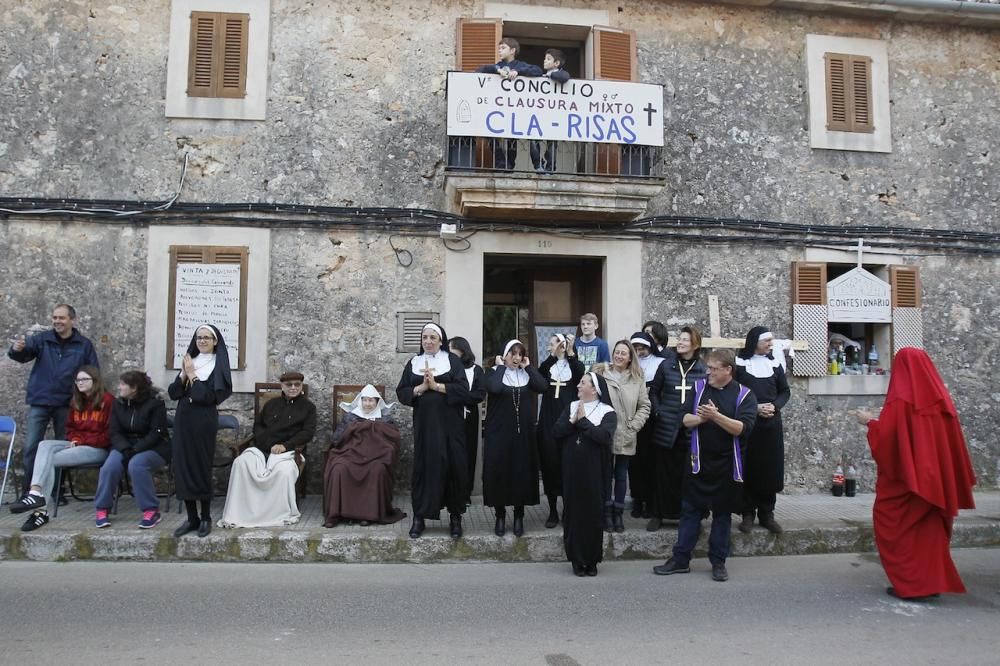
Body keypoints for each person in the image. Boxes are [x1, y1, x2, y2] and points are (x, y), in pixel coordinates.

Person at [854, 348, 977, 601]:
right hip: (936, 482)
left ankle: (910, 585)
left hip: (909, 482)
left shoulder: (901, 400)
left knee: (893, 525)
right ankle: (930, 582)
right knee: (930, 533)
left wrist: (869, 422)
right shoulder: (942, 400)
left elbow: (889, 440)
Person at [654, 349, 757, 582]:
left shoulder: (744, 395)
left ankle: (718, 562)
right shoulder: (699, 388)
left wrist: (716, 416)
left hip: (727, 466)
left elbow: (743, 428)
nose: (707, 372)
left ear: (728, 370)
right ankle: (680, 559)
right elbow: (683, 419)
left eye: (713, 368)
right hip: (698, 463)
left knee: (722, 515)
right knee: (689, 512)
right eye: (707, 367)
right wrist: (701, 418)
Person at [7, 303, 99, 496]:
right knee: (32, 447)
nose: (57, 321)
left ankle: (56, 492)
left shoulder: (83, 345)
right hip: (40, 401)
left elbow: (93, 373)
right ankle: (29, 493)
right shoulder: (42, 340)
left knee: (62, 448)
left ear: (72, 320)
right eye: (55, 318)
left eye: (61, 318)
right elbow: (22, 356)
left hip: (67, 404)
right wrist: (16, 349)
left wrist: (85, 399)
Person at [11, 365, 112, 532]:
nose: (80, 383)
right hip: (77, 444)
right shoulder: (76, 401)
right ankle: (35, 493)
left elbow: (109, 435)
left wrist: (81, 440)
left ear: (95, 381)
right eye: (78, 380)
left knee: (48, 461)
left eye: (84, 379)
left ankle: (40, 513)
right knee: (44, 445)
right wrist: (75, 438)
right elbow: (70, 428)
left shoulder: (108, 401)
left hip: (98, 449)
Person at [396, 322, 470, 539]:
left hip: (450, 427)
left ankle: (455, 518)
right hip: (425, 429)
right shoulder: (414, 362)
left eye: (432, 338)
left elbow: (464, 390)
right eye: (425, 337)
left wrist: (437, 386)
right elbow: (402, 392)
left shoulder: (453, 361)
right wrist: (421, 388)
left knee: (453, 467)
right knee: (424, 468)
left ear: (441, 341)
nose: (428, 341)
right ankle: (419, 517)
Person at [218, 371, 316, 528]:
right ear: (282, 386)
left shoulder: (308, 408)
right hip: (262, 448)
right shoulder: (271, 404)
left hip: (288, 452)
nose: (293, 388)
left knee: (284, 473)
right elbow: (258, 426)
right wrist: (269, 444)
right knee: (241, 463)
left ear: (301, 386)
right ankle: (243, 512)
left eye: (296, 385)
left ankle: (274, 514)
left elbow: (307, 432)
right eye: (288, 385)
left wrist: (285, 446)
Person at [168, 324, 233, 538]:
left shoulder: (218, 365)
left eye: (207, 338)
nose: (202, 341)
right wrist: (184, 375)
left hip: (203, 420)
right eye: (199, 337)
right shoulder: (190, 362)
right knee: (183, 465)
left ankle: (205, 517)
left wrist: (192, 376)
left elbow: (205, 397)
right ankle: (191, 517)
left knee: (200, 466)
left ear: (215, 342)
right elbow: (174, 393)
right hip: (184, 419)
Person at [553, 372, 617, 577]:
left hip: (596, 471)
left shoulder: (608, 412)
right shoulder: (572, 406)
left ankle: (592, 559)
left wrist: (582, 422)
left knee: (593, 514)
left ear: (595, 389)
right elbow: (557, 431)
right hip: (572, 470)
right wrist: (573, 420)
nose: (578, 386)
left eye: (583, 383)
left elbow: (603, 436)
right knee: (574, 514)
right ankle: (576, 558)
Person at [484, 339, 548, 537]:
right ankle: (500, 515)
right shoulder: (495, 373)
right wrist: (502, 366)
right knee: (500, 474)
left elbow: (543, 386)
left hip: (523, 436)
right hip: (499, 435)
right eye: (513, 354)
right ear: (505, 355)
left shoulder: (525, 374)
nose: (517, 358)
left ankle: (519, 515)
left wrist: (529, 368)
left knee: (520, 474)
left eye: (520, 354)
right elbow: (493, 389)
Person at [93, 371, 171, 529]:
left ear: (134, 388)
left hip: (153, 447)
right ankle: (102, 508)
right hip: (125, 446)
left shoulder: (156, 404)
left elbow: (156, 432)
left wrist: (136, 449)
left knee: (137, 465)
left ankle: (151, 510)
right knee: (110, 467)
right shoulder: (118, 404)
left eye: (123, 384)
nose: (119, 387)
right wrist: (125, 448)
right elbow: (114, 431)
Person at [647, 326, 707, 530]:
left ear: (695, 344)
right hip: (667, 425)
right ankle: (658, 514)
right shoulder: (666, 365)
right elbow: (654, 392)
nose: (680, 342)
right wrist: (658, 412)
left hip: (691, 429)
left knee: (689, 475)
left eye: (685, 340)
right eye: (679, 339)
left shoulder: (702, 369)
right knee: (662, 473)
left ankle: (688, 516)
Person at [734, 327, 791, 535]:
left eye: (771, 341)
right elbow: (735, 392)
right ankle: (747, 513)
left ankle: (767, 513)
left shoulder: (774, 364)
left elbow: (785, 391)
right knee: (749, 466)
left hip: (771, 424)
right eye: (766, 341)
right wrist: (755, 407)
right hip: (749, 423)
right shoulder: (740, 365)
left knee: (770, 468)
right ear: (754, 342)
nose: (770, 344)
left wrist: (774, 406)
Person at [324, 384, 406, 528]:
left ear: (377, 402)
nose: (368, 404)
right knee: (338, 468)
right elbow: (336, 439)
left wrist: (374, 429)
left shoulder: (385, 420)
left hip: (376, 457)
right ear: (360, 401)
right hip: (350, 454)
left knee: (377, 470)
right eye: (365, 400)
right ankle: (337, 514)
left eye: (371, 400)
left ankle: (368, 515)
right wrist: (353, 429)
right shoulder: (350, 418)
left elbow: (393, 442)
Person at [592, 340, 650, 533]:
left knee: (621, 474)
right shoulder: (600, 372)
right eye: (617, 352)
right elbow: (589, 397)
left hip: (626, 431)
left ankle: (618, 514)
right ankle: (606, 513)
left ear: (630, 357)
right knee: (606, 474)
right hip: (605, 432)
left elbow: (645, 405)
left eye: (623, 353)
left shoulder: (637, 377)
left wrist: (634, 425)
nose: (619, 356)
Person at [536, 333, 584, 528]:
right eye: (550, 345)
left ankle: (568, 508)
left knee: (568, 465)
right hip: (548, 420)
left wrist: (571, 353)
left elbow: (580, 373)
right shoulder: (549, 365)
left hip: (569, 421)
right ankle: (553, 509)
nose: (552, 347)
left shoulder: (574, 365)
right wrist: (553, 355)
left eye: (554, 343)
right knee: (550, 464)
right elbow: (539, 375)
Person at [475, 38, 543, 170]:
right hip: (498, 110)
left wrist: (519, 72)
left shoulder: (520, 65)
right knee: (490, 133)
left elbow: (538, 71)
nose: (499, 51)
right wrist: (497, 70)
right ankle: (501, 163)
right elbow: (480, 70)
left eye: (503, 48)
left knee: (513, 138)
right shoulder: (498, 66)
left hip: (516, 109)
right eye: (499, 48)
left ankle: (510, 165)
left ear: (512, 51)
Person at [628, 332, 664, 521]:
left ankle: (651, 500)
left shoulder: (660, 363)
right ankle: (637, 499)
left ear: (649, 346)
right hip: (633, 414)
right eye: (636, 348)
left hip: (652, 418)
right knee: (634, 460)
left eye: (642, 348)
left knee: (651, 460)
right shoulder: (630, 364)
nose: (639, 351)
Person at [449, 336, 487, 505]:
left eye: (451, 349)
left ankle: (466, 494)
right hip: (450, 414)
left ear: (461, 350)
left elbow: (480, 394)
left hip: (469, 414)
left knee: (469, 453)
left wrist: (461, 396)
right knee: (451, 453)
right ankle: (450, 493)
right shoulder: (447, 367)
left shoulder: (476, 370)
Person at [529, 48, 571, 174]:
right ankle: (538, 165)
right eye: (545, 58)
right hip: (539, 115)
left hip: (554, 117)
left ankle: (550, 168)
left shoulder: (559, 74)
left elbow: (564, 77)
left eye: (548, 59)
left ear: (556, 63)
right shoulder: (541, 76)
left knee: (552, 143)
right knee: (533, 139)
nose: (544, 61)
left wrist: (550, 75)